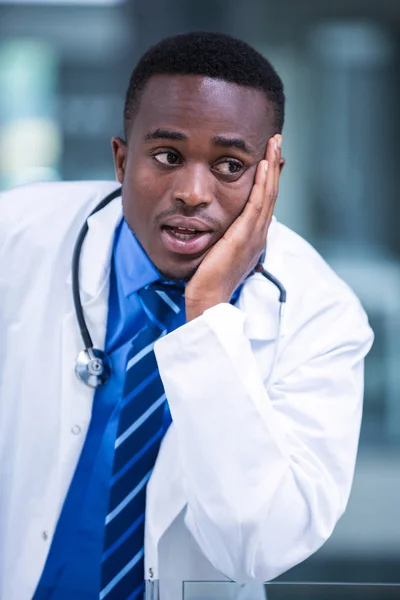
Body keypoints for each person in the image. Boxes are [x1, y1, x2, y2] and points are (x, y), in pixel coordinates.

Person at [0, 31, 373, 600]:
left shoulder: (323, 316)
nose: (193, 193)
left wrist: (207, 318)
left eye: (229, 165)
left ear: (269, 176)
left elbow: (257, 547)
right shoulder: (15, 238)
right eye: (168, 156)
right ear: (122, 160)